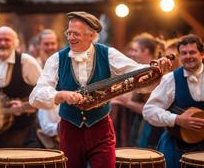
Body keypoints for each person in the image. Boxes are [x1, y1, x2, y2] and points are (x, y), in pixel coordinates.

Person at [29, 11, 171, 168]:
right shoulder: (56, 59)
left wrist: (157, 70)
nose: (70, 38)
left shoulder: (108, 54)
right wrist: (60, 95)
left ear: (91, 36)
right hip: (69, 129)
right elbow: (37, 94)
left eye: (75, 34)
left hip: (101, 127)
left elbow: (136, 73)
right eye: (68, 33)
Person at [143, 34, 204, 168]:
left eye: (192, 52)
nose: (188, 56)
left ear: (202, 54)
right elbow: (149, 110)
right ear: (180, 56)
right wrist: (176, 119)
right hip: (176, 147)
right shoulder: (170, 79)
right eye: (184, 53)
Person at [34, 29, 61, 149]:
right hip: (35, 124)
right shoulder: (33, 65)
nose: (50, 47)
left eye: (53, 43)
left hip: (56, 116)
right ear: (38, 45)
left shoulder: (61, 64)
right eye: (46, 44)